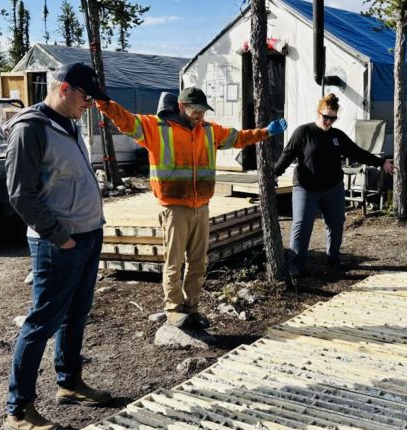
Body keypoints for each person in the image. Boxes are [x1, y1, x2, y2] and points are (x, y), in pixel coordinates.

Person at [97, 87, 287, 329]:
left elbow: (238, 137)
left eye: (203, 111)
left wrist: (265, 133)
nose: (200, 116)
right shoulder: (156, 128)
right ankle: (174, 309)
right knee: (174, 262)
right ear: (181, 106)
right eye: (195, 111)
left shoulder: (209, 131)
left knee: (198, 262)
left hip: (201, 206)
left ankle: (192, 307)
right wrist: (104, 103)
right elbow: (125, 121)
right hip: (175, 208)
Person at [3, 62, 111, 430]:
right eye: (86, 97)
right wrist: (58, 235)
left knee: (76, 313)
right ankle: (18, 410)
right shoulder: (30, 129)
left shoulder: (69, 123)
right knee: (41, 322)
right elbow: (20, 193)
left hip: (87, 234)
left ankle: (69, 383)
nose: (90, 105)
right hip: (59, 243)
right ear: (64, 89)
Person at [274, 93, 394, 277]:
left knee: (336, 224)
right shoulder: (303, 132)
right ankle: (296, 265)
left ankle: (333, 259)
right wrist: (273, 175)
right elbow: (287, 155)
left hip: (333, 188)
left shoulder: (337, 136)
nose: (329, 121)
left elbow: (357, 152)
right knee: (302, 225)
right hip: (306, 188)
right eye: (326, 117)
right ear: (318, 113)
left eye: (333, 118)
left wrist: (380, 162)